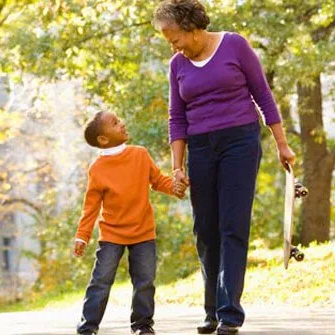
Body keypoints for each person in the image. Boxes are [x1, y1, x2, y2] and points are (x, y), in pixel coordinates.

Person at [152, 1, 296, 334]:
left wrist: (282, 144)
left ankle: (229, 313)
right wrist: (177, 166)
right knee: (205, 230)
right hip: (201, 148)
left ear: (192, 26)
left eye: (175, 39)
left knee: (232, 227)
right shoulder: (177, 65)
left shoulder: (234, 44)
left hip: (239, 142)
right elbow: (176, 118)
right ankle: (211, 310)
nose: (173, 46)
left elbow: (262, 94)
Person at [74, 111, 186, 335]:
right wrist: (82, 236)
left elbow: (157, 181)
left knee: (144, 281)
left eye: (119, 120)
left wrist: (174, 188)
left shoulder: (140, 155)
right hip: (112, 235)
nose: (122, 123)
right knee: (101, 281)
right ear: (103, 139)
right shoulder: (97, 169)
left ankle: (142, 325)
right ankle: (88, 326)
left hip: (143, 231)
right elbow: (91, 207)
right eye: (115, 123)